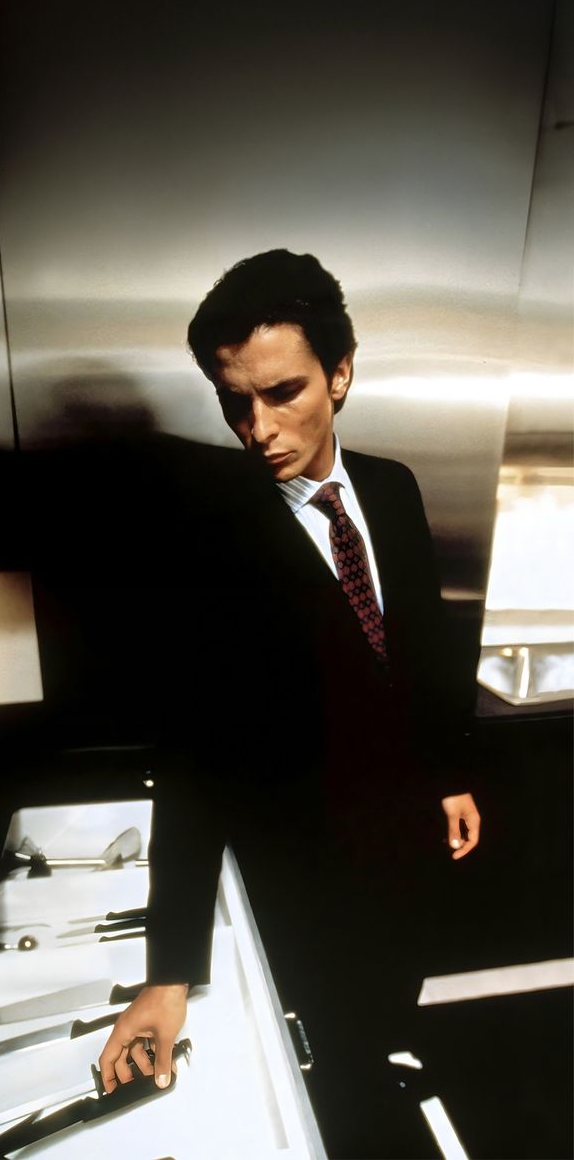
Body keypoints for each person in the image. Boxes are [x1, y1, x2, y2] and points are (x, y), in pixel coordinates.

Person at [99, 249, 481, 1156]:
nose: (258, 427)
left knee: (390, 998)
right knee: (324, 1056)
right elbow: (192, 760)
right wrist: (170, 973)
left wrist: (450, 774)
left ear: (341, 374)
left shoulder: (392, 487)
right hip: (300, 867)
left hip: (406, 838)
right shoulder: (212, 541)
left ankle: (379, 1056)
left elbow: (423, 649)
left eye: (284, 392)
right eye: (236, 402)